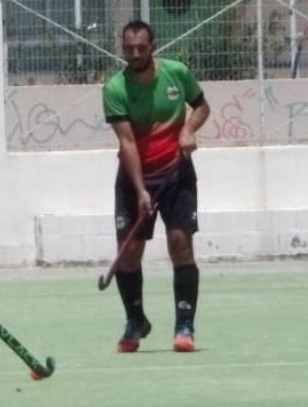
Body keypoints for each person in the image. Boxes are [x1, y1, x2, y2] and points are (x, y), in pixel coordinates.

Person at [102, 20, 210, 353]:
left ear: (153, 46)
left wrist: (188, 129)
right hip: (135, 177)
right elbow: (128, 143)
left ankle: (184, 325)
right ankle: (136, 321)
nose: (135, 54)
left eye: (141, 48)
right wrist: (141, 191)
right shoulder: (115, 87)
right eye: (129, 48)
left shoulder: (177, 72)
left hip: (177, 174)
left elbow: (202, 107)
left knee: (180, 244)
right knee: (130, 253)